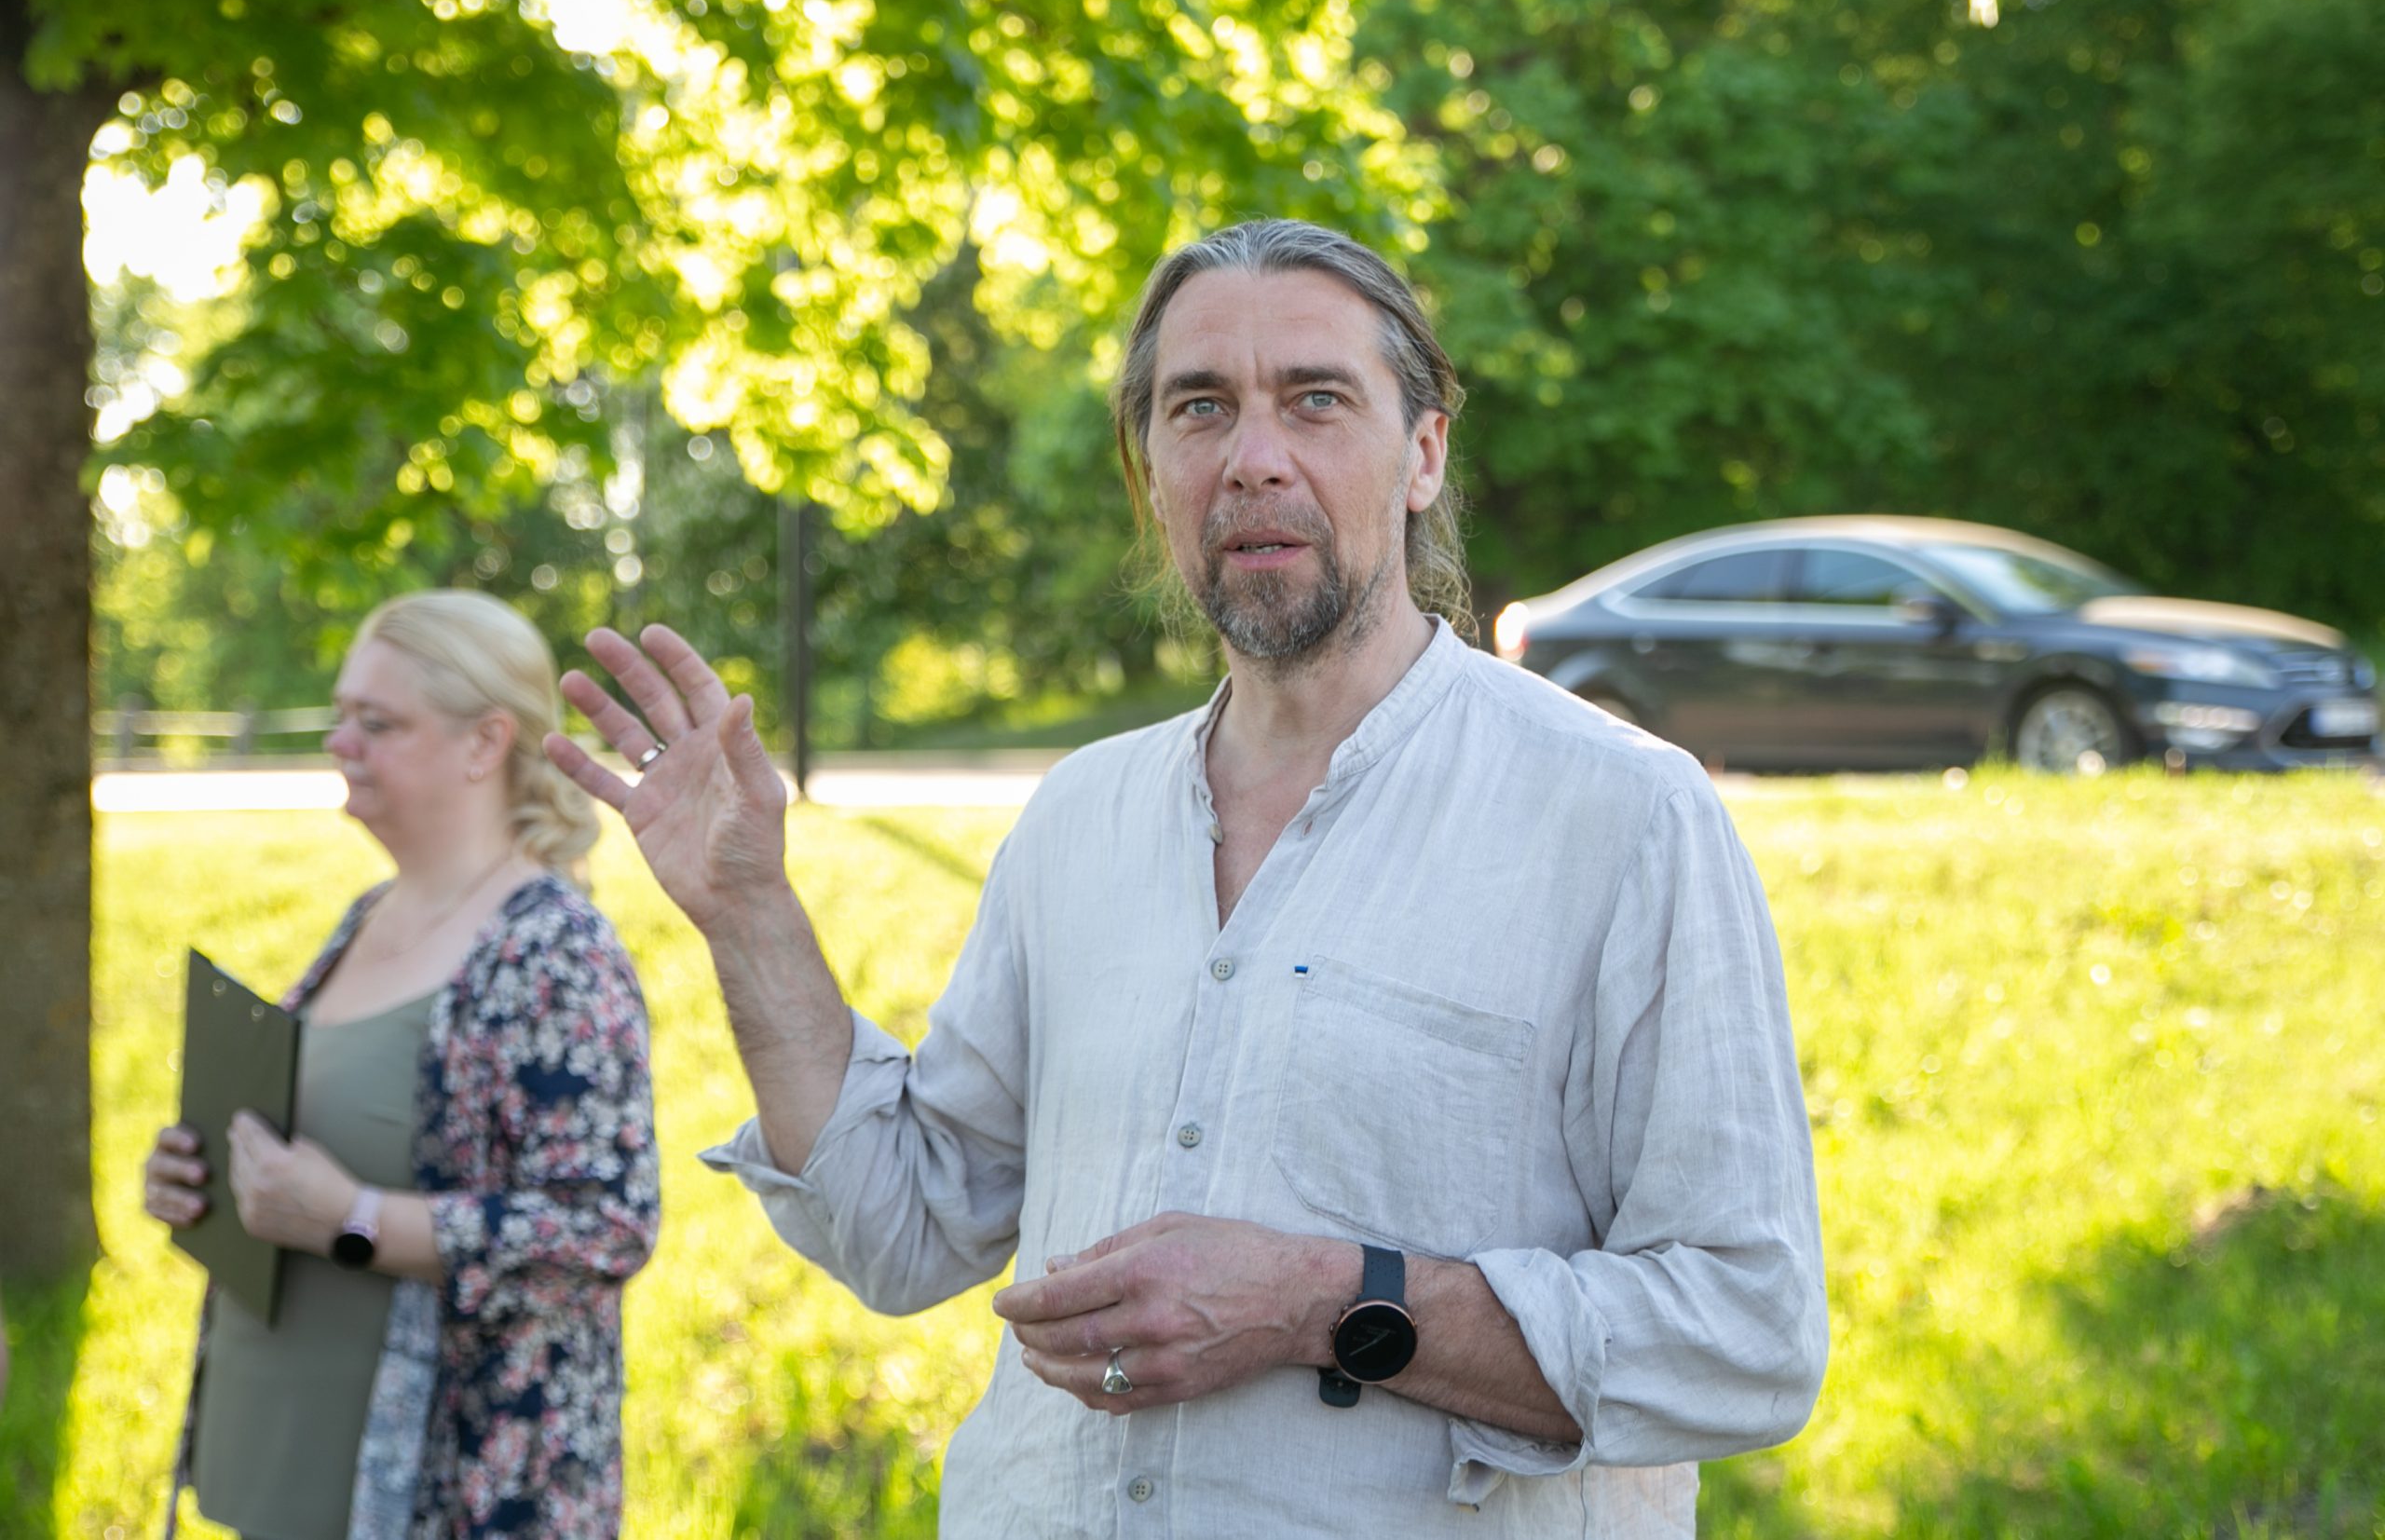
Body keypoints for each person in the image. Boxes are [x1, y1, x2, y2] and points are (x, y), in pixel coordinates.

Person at [546, 218, 1825, 1536]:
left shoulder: (1620, 815)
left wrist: (1320, 1302)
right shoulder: (1078, 817)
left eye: (1316, 400)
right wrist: (749, 910)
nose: (1253, 457)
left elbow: (1747, 1332)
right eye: (1200, 407)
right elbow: (906, 1228)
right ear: (1149, 471)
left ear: (1424, 453)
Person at [143, 589, 661, 1539]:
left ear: (484, 742)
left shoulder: (554, 951)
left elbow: (605, 1227)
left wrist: (354, 1220)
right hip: (269, 1476)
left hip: (451, 1496)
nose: (339, 741)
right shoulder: (369, 914)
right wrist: (200, 1172)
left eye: (376, 723)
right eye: (342, 714)